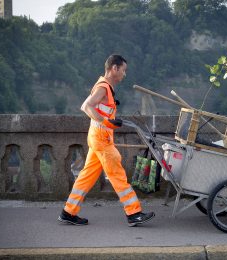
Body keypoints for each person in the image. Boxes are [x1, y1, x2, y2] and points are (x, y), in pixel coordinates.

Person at [58, 54, 155, 227]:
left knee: (86, 176)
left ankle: (68, 212)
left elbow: (99, 111)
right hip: (101, 140)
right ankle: (134, 213)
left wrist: (110, 121)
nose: (124, 74)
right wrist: (106, 121)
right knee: (118, 174)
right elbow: (86, 106)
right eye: (123, 70)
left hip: (97, 137)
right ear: (114, 68)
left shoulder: (106, 87)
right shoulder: (103, 87)